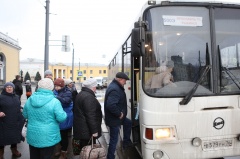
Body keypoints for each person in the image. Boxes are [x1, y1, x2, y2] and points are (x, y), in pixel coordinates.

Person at [22, 78, 67, 159]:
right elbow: (61, 118)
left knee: (34, 156)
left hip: (33, 135)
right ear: (51, 87)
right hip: (48, 136)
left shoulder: (30, 99)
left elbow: (25, 115)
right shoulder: (55, 101)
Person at [104, 72, 133, 159]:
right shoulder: (115, 89)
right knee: (114, 140)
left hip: (117, 118)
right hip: (115, 119)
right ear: (120, 79)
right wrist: (119, 114)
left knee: (128, 123)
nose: (125, 82)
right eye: (124, 81)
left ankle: (126, 142)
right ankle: (110, 157)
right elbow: (111, 105)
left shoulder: (116, 86)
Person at [73, 78, 102, 155]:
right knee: (89, 152)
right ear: (92, 87)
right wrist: (94, 131)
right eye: (95, 86)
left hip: (82, 130)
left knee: (84, 151)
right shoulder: (88, 97)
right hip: (87, 132)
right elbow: (90, 115)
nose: (96, 88)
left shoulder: (81, 94)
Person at [0, 82, 25, 159]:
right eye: (7, 87)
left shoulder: (16, 97)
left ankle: (14, 150)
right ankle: (1, 152)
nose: (9, 88)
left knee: (14, 136)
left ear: (13, 88)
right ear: (4, 88)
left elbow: (17, 105)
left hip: (15, 120)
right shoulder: (1, 97)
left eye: (11, 87)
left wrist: (20, 108)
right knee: (2, 137)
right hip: (4, 121)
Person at [53, 78, 73, 159]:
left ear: (62, 86)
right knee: (59, 134)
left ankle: (64, 152)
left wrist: (57, 98)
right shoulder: (55, 92)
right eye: (55, 86)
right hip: (58, 116)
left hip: (65, 116)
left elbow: (66, 102)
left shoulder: (67, 92)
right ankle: (61, 149)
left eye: (58, 86)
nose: (56, 88)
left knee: (64, 135)